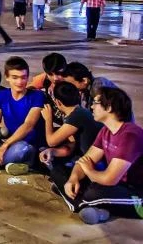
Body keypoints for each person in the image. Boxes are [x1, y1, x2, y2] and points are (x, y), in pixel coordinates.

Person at [50, 87, 143, 225]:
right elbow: (85, 160)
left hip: (137, 193)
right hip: (116, 186)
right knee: (57, 170)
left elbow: (109, 179)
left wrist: (88, 170)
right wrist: (73, 178)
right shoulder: (106, 131)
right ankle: (96, 208)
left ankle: (78, 203)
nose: (91, 106)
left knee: (93, 192)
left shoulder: (130, 135)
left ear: (109, 107)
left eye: (95, 102)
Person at [39, 81, 103, 173]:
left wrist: (48, 119)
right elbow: (71, 146)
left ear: (58, 102)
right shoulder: (78, 112)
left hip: (95, 163)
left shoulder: (77, 115)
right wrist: (52, 151)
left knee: (57, 172)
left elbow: (51, 141)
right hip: (88, 158)